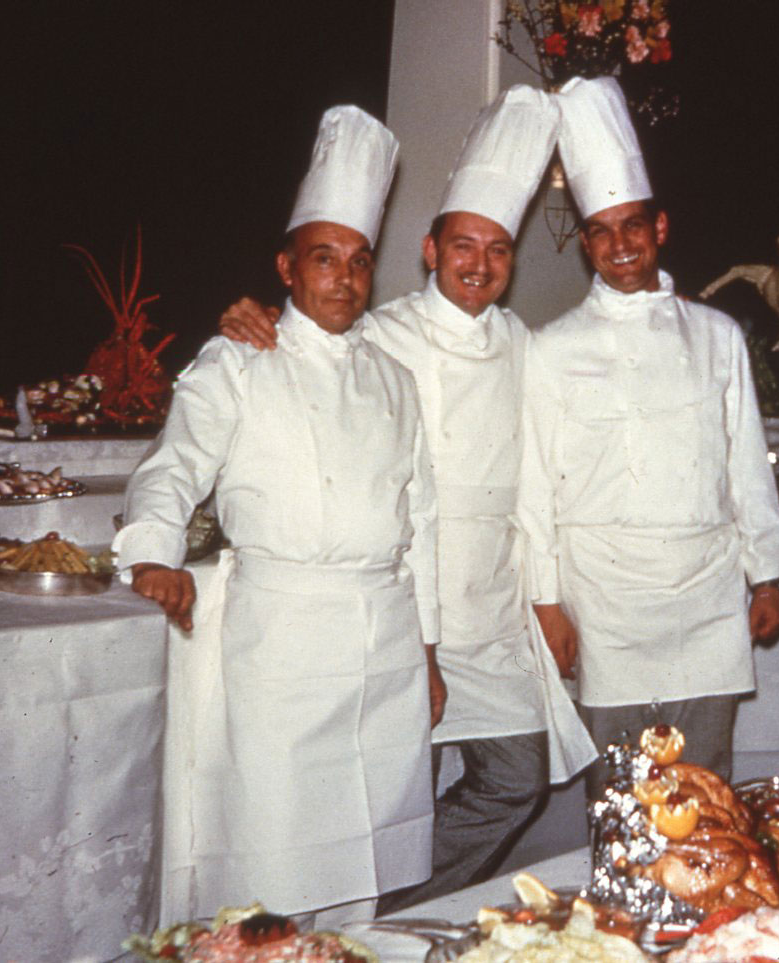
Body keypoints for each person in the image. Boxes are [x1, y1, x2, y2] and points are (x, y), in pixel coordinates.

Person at [217, 86, 594, 907]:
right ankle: (368, 926)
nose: (480, 264)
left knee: (518, 777)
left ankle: (398, 905)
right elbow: (297, 355)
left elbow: (533, 476)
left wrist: (547, 597)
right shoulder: (376, 335)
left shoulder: (521, 342)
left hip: (490, 601)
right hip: (400, 609)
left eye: (498, 249)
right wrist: (247, 315)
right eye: (465, 244)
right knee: (392, 794)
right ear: (429, 250)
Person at [114, 106, 441, 925]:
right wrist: (152, 554)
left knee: (363, 868)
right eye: (324, 258)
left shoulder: (395, 379)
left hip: (386, 640)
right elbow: (172, 465)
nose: (345, 278)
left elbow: (423, 521)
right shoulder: (239, 359)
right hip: (283, 642)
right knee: (276, 864)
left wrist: (430, 650)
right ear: (287, 267)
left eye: (360, 261)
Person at [520, 76, 779, 794]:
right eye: (602, 231)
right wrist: (547, 603)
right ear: (585, 244)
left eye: (633, 225)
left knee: (703, 793)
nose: (620, 245)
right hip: (604, 601)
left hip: (706, 596)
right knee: (620, 798)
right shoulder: (551, 347)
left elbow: (745, 464)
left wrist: (768, 574)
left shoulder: (718, 336)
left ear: (659, 228)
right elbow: (534, 486)